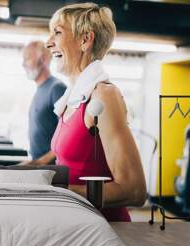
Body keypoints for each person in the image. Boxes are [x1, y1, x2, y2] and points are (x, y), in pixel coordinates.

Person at [46, 3, 147, 221]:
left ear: (85, 40)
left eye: (57, 32)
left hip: (104, 232)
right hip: (75, 224)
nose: (48, 42)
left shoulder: (103, 96)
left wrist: (60, 192)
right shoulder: (72, 99)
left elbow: (134, 190)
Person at [21, 41, 66, 165]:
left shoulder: (57, 88)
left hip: (49, 171)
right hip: (38, 166)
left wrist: (40, 162)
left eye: (27, 59)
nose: (23, 64)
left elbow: (67, 138)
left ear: (44, 59)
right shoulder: (40, 89)